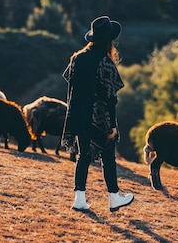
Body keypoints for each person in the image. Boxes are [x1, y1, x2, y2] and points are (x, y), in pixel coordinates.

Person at [62, 15, 134, 212]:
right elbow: (111, 98)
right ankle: (114, 197)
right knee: (108, 156)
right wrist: (112, 125)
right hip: (99, 117)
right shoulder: (105, 63)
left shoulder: (76, 59)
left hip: (78, 114)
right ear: (108, 40)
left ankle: (79, 199)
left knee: (83, 155)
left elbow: (71, 85)